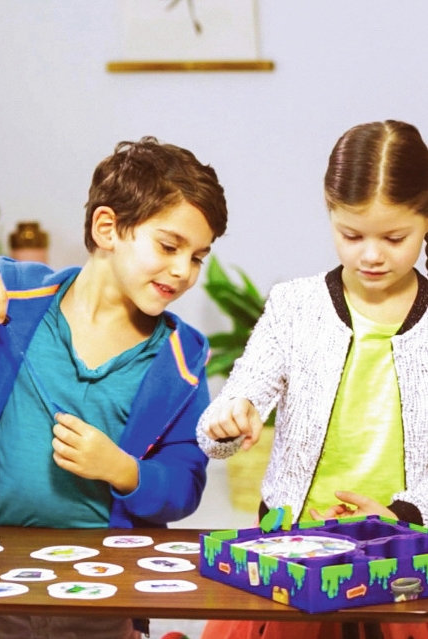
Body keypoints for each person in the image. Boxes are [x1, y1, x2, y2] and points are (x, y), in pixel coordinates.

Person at [0, 136, 228, 639]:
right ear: (107, 228)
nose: (184, 271)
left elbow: (184, 486)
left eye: (198, 257)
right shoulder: (17, 299)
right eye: (169, 246)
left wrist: (123, 470)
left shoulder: (181, 357)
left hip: (106, 599)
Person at [197, 119, 428, 639]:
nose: (371, 254)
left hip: (405, 561)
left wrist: (401, 516)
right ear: (330, 212)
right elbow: (230, 410)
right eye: (351, 235)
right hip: (294, 555)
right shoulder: (294, 307)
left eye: (394, 237)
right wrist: (230, 418)